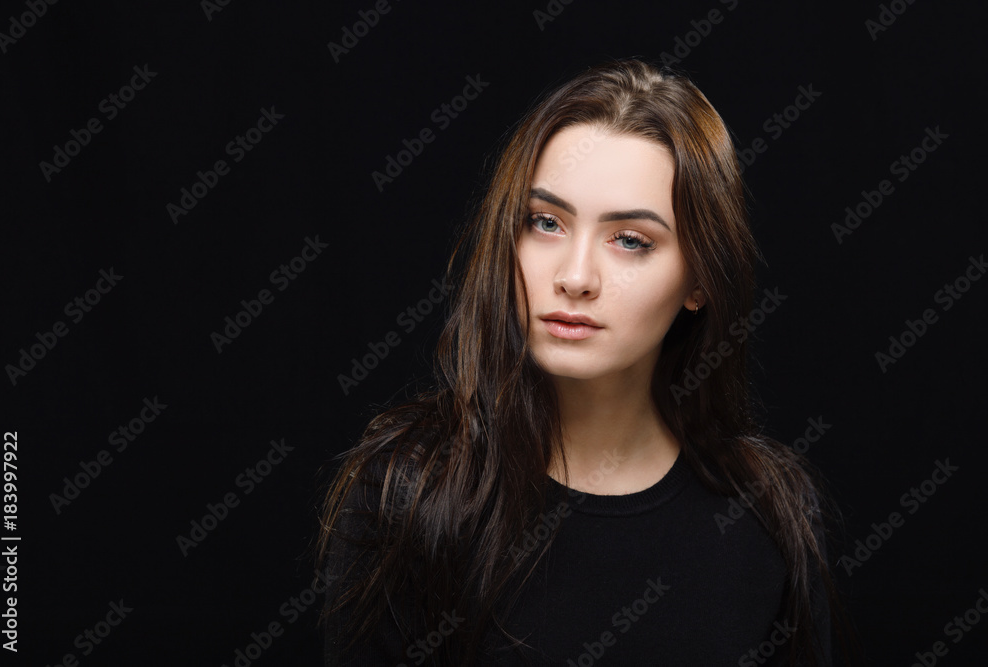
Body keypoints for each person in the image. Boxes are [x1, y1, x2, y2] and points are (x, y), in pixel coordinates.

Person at [314, 58, 849, 666]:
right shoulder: (407, 497)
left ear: (700, 279)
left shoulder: (768, 510)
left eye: (630, 240)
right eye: (545, 223)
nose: (573, 277)